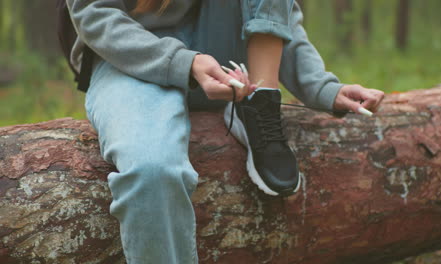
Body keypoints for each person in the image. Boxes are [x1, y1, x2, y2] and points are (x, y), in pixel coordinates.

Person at [66, 0, 385, 262]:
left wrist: (321, 86)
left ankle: (260, 105)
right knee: (152, 170)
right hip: (129, 57)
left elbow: (274, 11)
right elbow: (95, 13)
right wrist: (183, 62)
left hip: (229, 65)